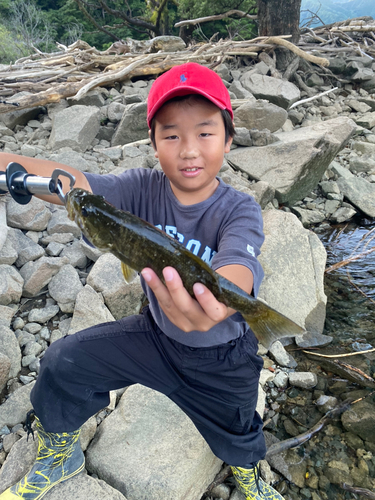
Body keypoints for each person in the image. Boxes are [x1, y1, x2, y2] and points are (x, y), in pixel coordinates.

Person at [0, 62, 284, 500]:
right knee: (62, 364)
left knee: (239, 426)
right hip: (154, 338)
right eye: (171, 135)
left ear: (229, 139)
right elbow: (73, 183)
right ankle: (60, 452)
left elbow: (238, 270)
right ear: (152, 142)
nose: (188, 149)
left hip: (223, 356)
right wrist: (11, 167)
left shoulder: (238, 209)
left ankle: (248, 474)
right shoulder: (138, 189)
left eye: (205, 133)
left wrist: (223, 303)